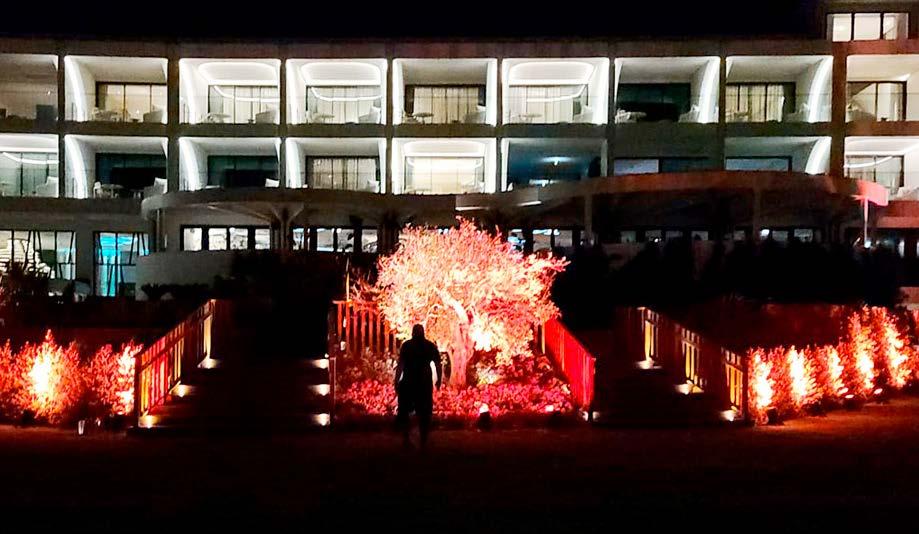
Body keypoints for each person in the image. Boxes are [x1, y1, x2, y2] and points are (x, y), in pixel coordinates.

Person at [395, 324, 442, 449]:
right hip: (423, 383)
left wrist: (397, 380)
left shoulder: (407, 346)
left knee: (405, 411)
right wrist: (439, 379)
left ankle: (406, 438)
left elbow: (401, 364)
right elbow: (438, 364)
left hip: (409, 381)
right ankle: (423, 440)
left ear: (412, 333)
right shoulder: (429, 346)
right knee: (424, 413)